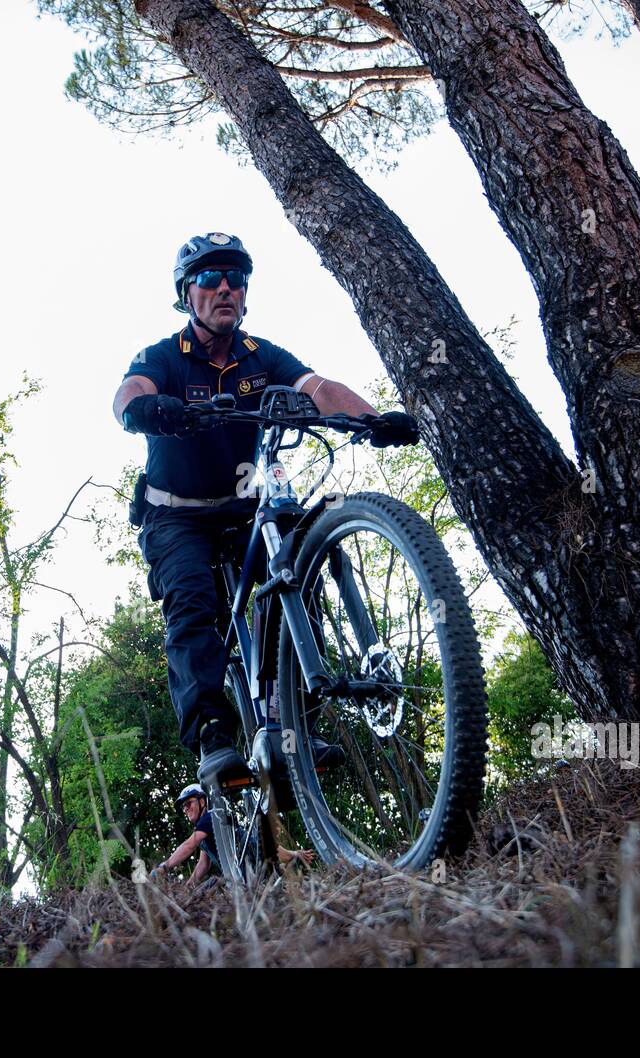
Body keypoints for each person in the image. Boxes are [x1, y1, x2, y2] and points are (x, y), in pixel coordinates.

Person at [112, 232, 419, 788]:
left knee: (295, 570)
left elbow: (319, 387)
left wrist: (373, 420)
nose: (224, 287)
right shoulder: (163, 356)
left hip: (245, 505)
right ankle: (213, 737)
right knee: (192, 602)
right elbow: (128, 394)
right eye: (209, 278)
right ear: (188, 294)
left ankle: (291, 718)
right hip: (176, 514)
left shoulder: (263, 356)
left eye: (235, 277)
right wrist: (149, 408)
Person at [152, 783, 317, 885]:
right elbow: (203, 864)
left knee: (266, 848)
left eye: (189, 803)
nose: (186, 809)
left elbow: (189, 845)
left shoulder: (210, 817)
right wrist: (189, 887)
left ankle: (294, 857)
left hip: (253, 856)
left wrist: (165, 867)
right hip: (244, 873)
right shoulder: (204, 830)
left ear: (202, 801)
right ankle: (289, 867)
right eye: (184, 807)